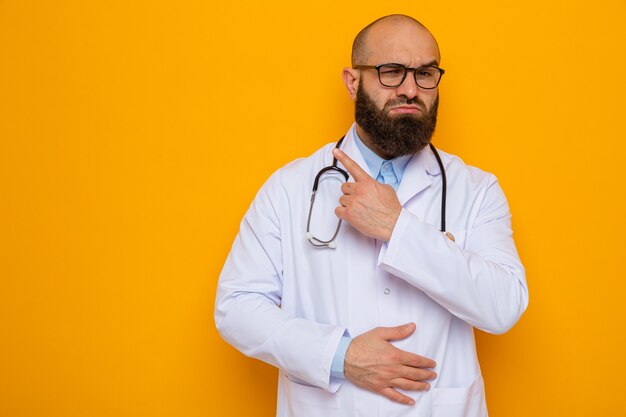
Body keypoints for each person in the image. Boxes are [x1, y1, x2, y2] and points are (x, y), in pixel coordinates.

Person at [215, 14, 528, 417]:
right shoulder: (289, 188)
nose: (411, 89)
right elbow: (236, 307)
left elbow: (503, 306)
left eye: (425, 73)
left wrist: (398, 228)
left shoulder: (476, 190)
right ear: (352, 81)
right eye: (391, 72)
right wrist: (340, 356)